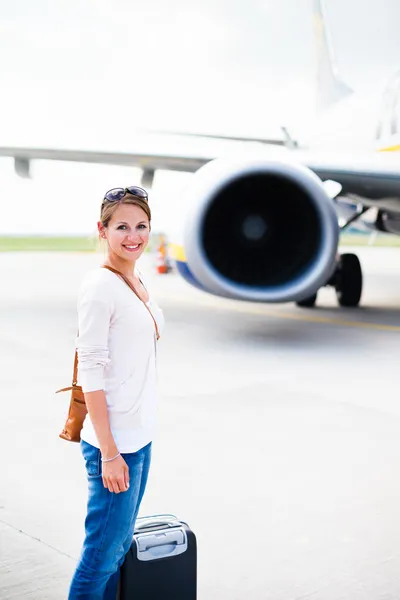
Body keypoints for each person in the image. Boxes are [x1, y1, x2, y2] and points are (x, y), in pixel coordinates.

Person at [68, 186, 164, 600]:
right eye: (122, 226)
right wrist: (109, 453)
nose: (134, 235)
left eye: (141, 226)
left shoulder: (134, 277)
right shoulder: (99, 287)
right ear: (102, 230)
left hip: (138, 437)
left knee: (118, 550)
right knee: (100, 558)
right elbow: (90, 371)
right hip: (114, 445)